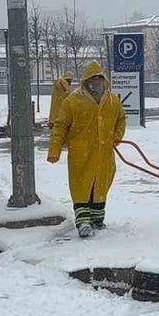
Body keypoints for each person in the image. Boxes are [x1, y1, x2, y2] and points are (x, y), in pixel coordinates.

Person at [47, 62, 126, 238]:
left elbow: (121, 119)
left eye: (99, 79)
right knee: (82, 188)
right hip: (80, 154)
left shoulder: (112, 100)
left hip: (105, 154)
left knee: (100, 187)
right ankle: (83, 222)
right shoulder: (73, 101)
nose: (96, 82)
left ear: (104, 81)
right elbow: (60, 126)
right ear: (86, 81)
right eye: (93, 79)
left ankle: (97, 220)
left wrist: (117, 136)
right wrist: (54, 149)